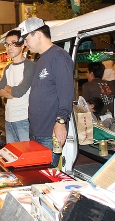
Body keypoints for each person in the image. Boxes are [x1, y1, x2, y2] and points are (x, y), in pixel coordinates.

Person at [20, 17, 74, 166]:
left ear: (38, 34)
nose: (25, 44)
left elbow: (66, 92)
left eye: (26, 38)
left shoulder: (58, 56)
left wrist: (61, 121)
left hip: (49, 133)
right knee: (37, 175)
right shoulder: (41, 59)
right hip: (37, 131)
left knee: (47, 178)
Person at [0, 29, 36, 144]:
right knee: (13, 154)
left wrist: (8, 88)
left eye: (14, 43)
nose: (10, 47)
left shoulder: (30, 66)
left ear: (23, 44)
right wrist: (13, 90)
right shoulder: (8, 68)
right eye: (7, 44)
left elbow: (19, 91)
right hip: (8, 117)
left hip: (24, 118)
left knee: (26, 155)